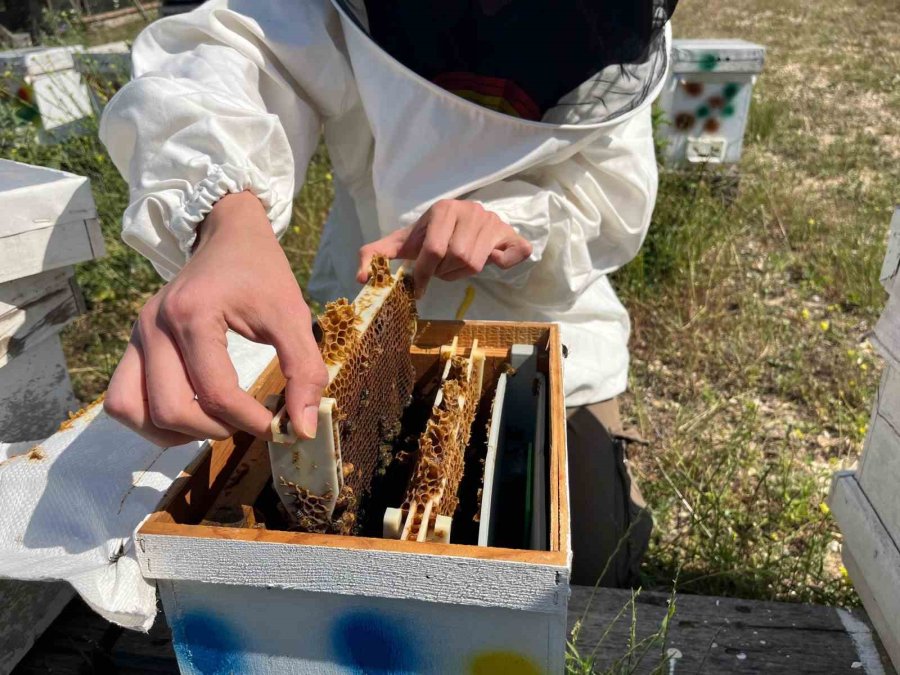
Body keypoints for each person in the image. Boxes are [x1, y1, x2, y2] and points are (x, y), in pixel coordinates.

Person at [100, 0, 676, 587]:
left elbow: (610, 202)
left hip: (554, 316)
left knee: (593, 575)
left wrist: (515, 222)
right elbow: (232, 49)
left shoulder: (612, 24)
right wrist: (225, 214)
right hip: (367, 292)